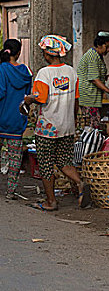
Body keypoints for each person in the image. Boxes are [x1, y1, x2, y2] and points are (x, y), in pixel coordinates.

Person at [22, 35, 91, 210]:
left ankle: (51, 201)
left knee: (45, 164)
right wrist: (73, 120)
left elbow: (41, 99)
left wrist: (29, 100)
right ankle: (80, 183)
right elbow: (76, 101)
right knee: (64, 161)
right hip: (67, 125)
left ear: (47, 53)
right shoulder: (71, 71)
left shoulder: (44, 73)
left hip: (48, 127)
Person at [0, 39, 32, 199]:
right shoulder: (25, 72)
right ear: (18, 53)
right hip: (17, 121)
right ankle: (10, 191)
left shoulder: (2, 69)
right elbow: (28, 97)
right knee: (15, 159)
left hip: (1, 118)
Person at [77, 31, 109, 130]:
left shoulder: (98, 56)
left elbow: (95, 75)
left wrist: (105, 78)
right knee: (92, 126)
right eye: (106, 47)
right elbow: (94, 79)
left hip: (93, 97)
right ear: (99, 45)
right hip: (88, 97)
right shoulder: (93, 56)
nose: (108, 50)